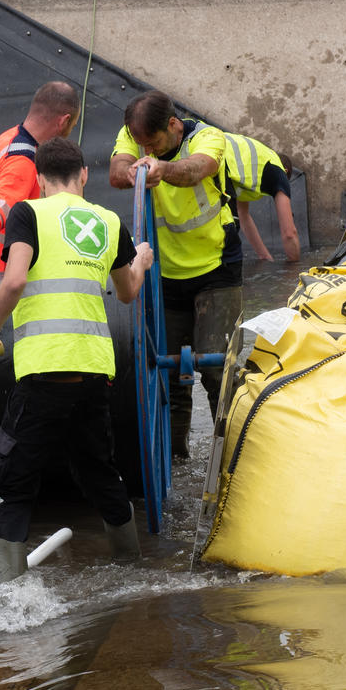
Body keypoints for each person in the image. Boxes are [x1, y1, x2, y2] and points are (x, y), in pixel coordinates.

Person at [0, 136, 154, 583]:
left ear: (40, 180)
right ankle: (132, 569)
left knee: (9, 483)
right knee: (99, 473)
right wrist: (140, 259)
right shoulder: (108, 220)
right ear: (84, 175)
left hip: (44, 369)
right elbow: (127, 293)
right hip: (93, 372)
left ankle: (5, 596)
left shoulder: (27, 213)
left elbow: (12, 283)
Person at [109, 91, 238, 460]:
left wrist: (161, 169)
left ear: (174, 125)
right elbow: (117, 171)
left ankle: (229, 457)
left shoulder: (208, 138)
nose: (145, 148)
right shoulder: (134, 137)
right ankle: (175, 460)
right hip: (164, 274)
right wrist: (131, 170)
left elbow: (197, 168)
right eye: (140, 144)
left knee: (217, 369)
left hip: (216, 269)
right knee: (167, 378)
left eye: (153, 143)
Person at [0, 80, 81, 283]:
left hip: (3, 272)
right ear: (63, 121)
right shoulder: (23, 159)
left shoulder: (9, 137)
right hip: (10, 275)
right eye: (73, 125)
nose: (70, 131)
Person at [217, 128, 302, 264]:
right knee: (228, 236)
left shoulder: (247, 170)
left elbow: (243, 215)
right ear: (286, 171)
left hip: (210, 149)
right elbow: (289, 234)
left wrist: (265, 257)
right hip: (217, 157)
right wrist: (295, 265)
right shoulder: (278, 170)